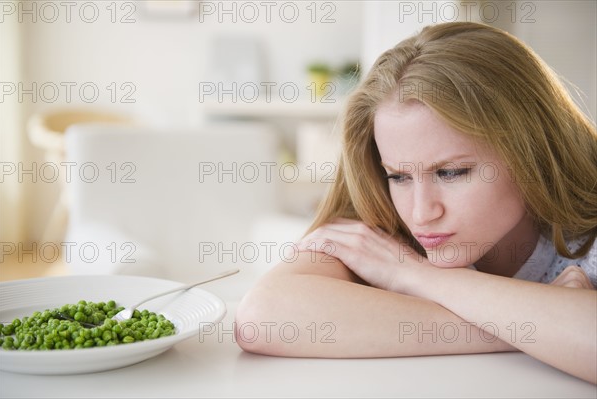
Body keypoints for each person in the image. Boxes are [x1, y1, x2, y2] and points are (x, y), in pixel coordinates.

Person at [235, 22, 597, 384]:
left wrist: (411, 275)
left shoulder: (587, 237)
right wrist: (535, 324)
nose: (422, 213)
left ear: (532, 152)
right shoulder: (379, 217)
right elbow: (260, 318)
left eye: (452, 173)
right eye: (399, 176)